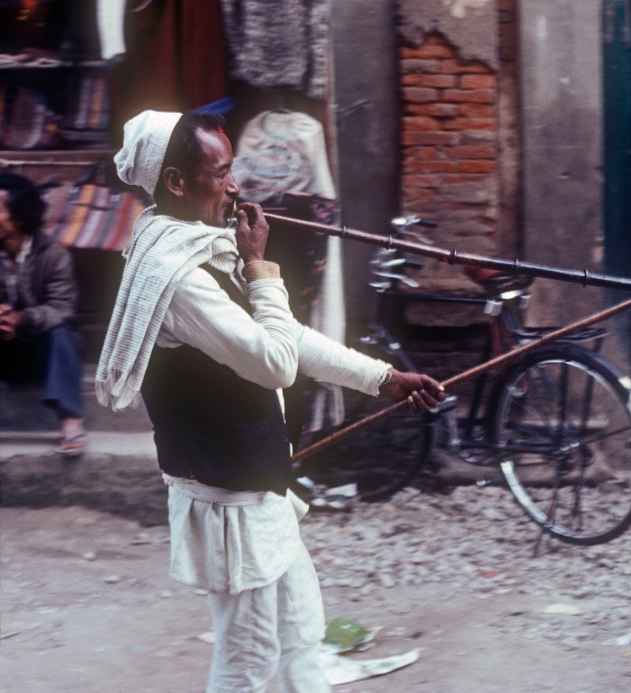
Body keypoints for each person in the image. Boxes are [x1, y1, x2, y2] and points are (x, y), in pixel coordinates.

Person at [96, 110, 445, 692]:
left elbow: (284, 337)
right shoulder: (176, 274)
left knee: (301, 636)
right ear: (177, 183)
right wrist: (262, 268)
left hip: (259, 487)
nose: (235, 185)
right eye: (221, 171)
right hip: (231, 498)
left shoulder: (199, 246)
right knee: (249, 660)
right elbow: (275, 361)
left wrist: (382, 377)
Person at [0, 172, 86, 456]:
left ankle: (71, 421)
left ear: (19, 216)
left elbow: (63, 308)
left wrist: (23, 318)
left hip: (38, 352)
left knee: (64, 333)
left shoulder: (54, 255)